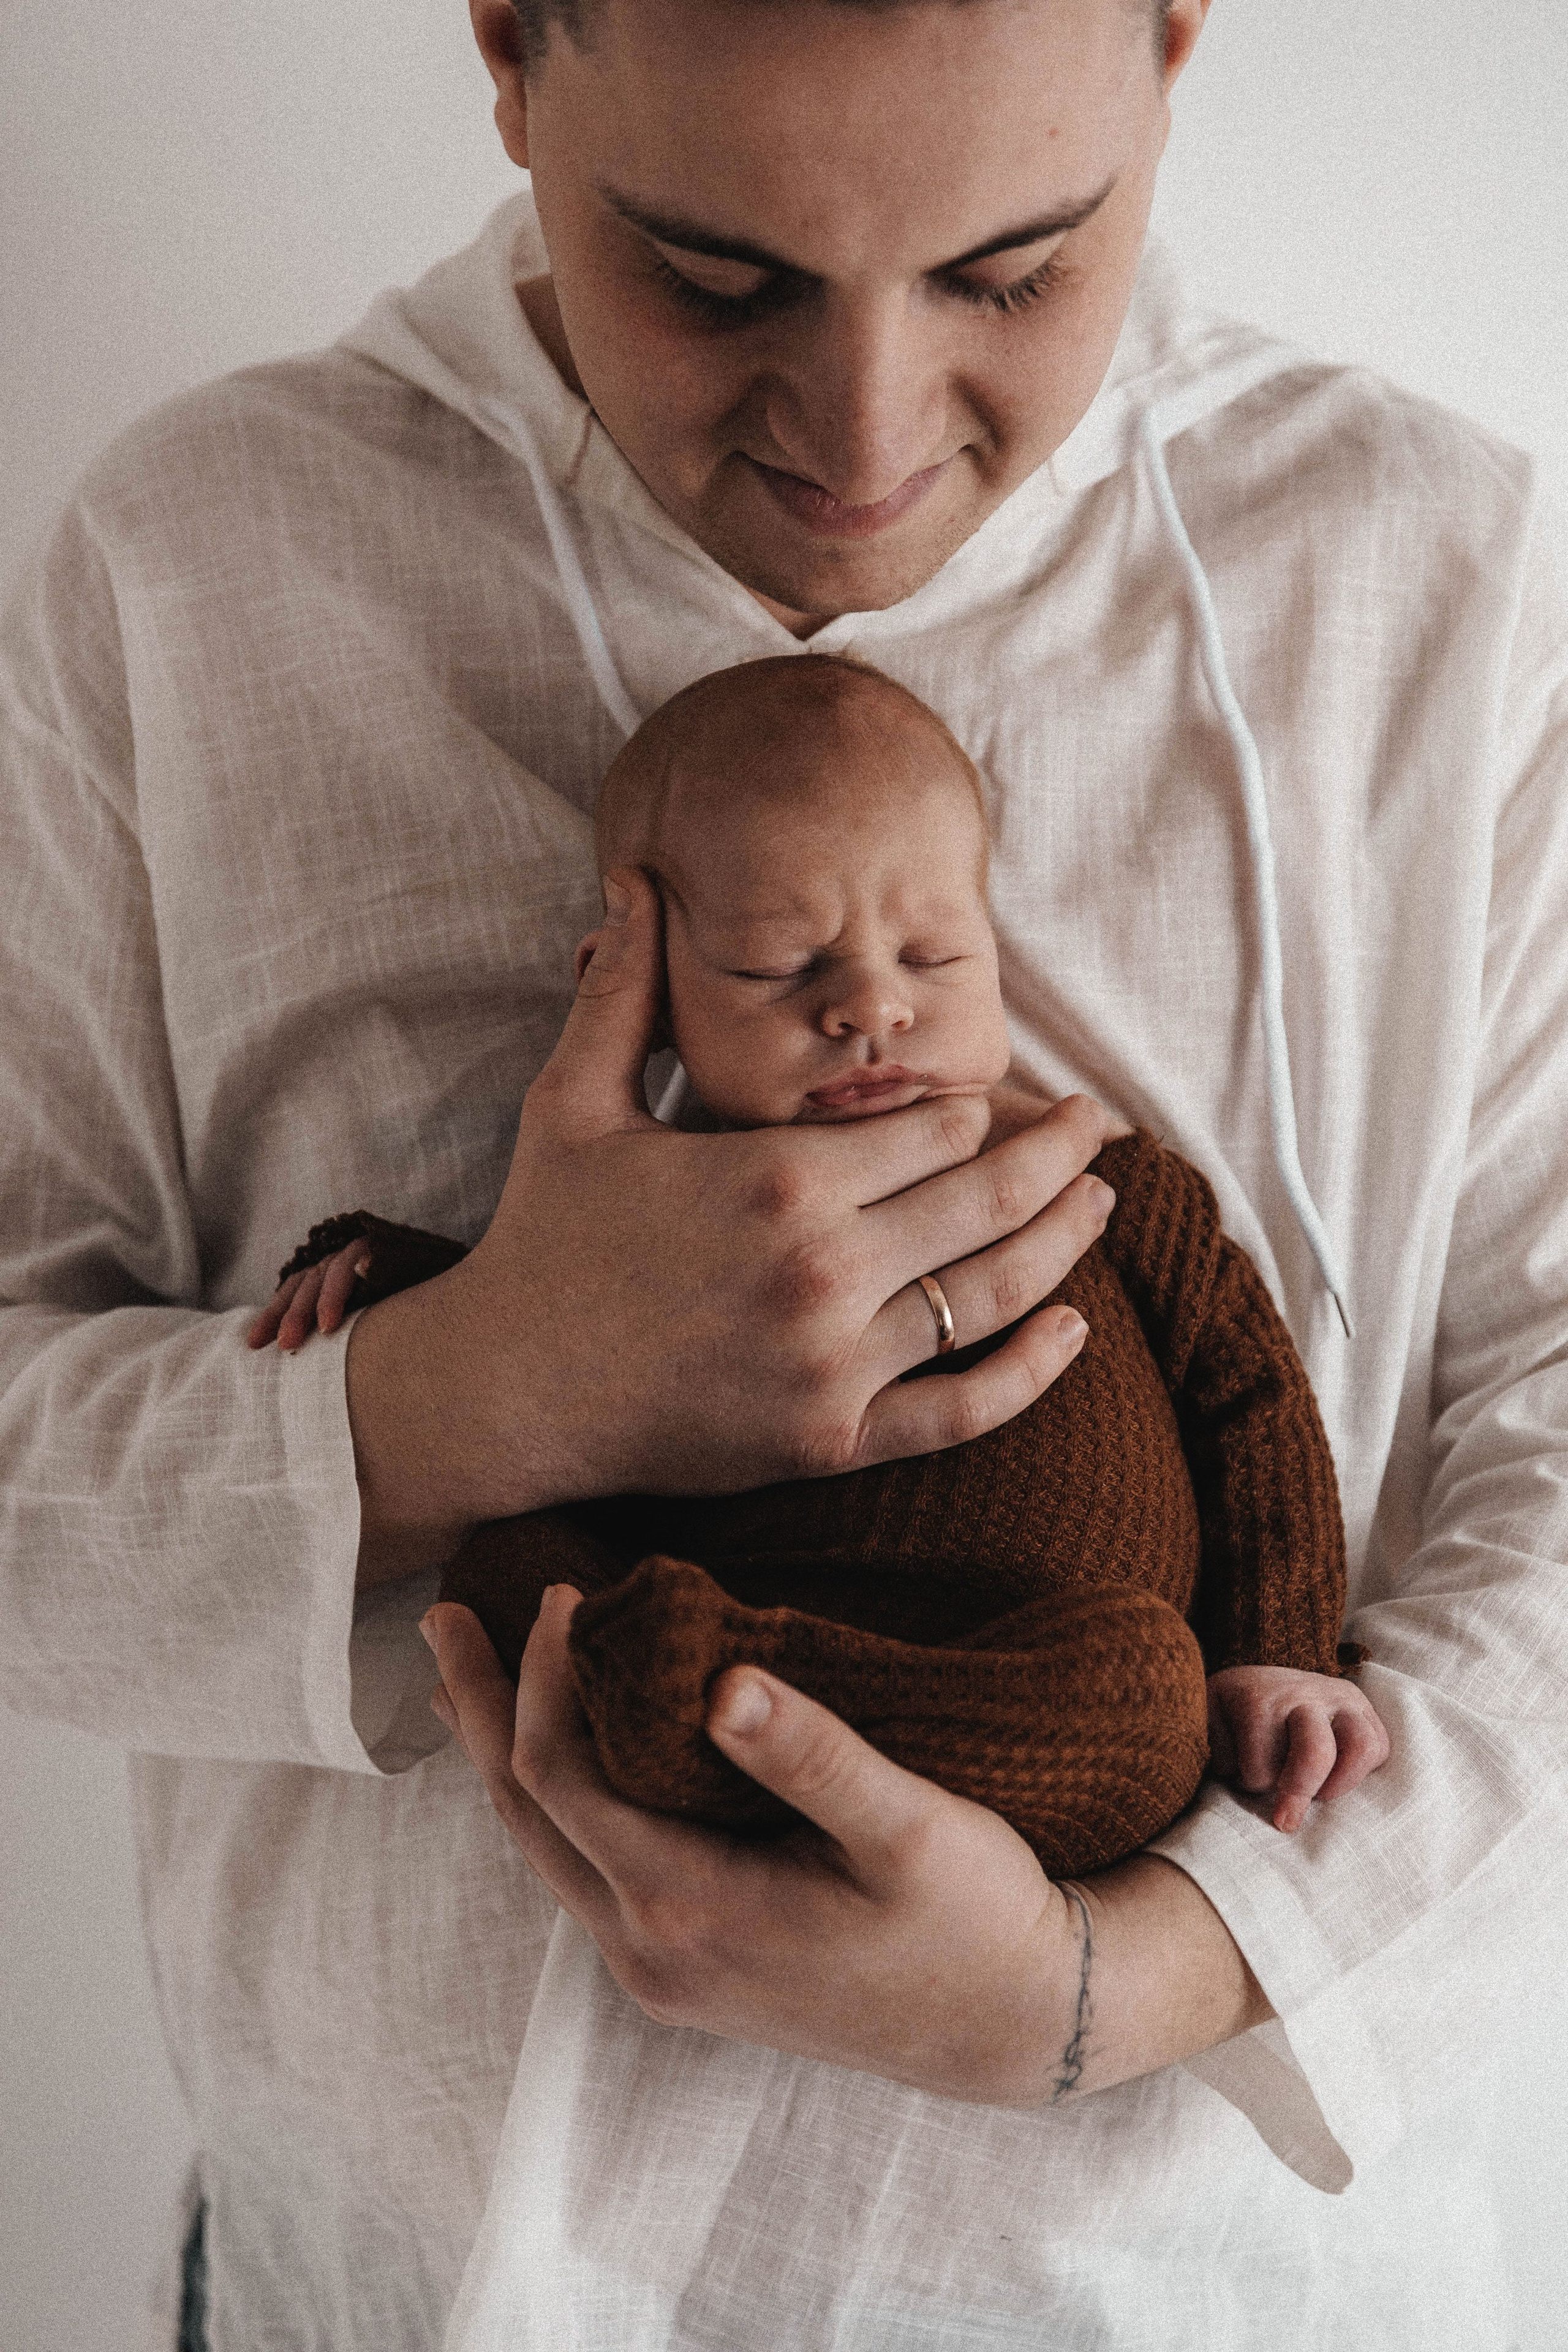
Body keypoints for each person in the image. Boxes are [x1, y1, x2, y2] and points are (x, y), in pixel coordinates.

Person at [2, 0, 1565, 2344]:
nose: (865, 439)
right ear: (508, 46)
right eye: (716, 276)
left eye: (1016, 267)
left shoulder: (1435, 576)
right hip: (376, 2294)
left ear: (1174, 38)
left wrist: (1122, 1985)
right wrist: (460, 1398)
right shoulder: (197, 564)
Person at [254, 650, 1388, 1862]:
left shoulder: (1104, 1178)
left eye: (931, 955)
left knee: (1148, 1696)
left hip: (1034, 1678)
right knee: (502, 1581)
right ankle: (719, 1698)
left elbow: (1251, 1399)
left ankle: (733, 1714)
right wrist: (385, 1269)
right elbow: (541, 1319)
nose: (871, 1009)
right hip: (737, 1608)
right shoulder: (652, 1202)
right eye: (778, 967)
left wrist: (1281, 1649)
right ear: (640, 991)